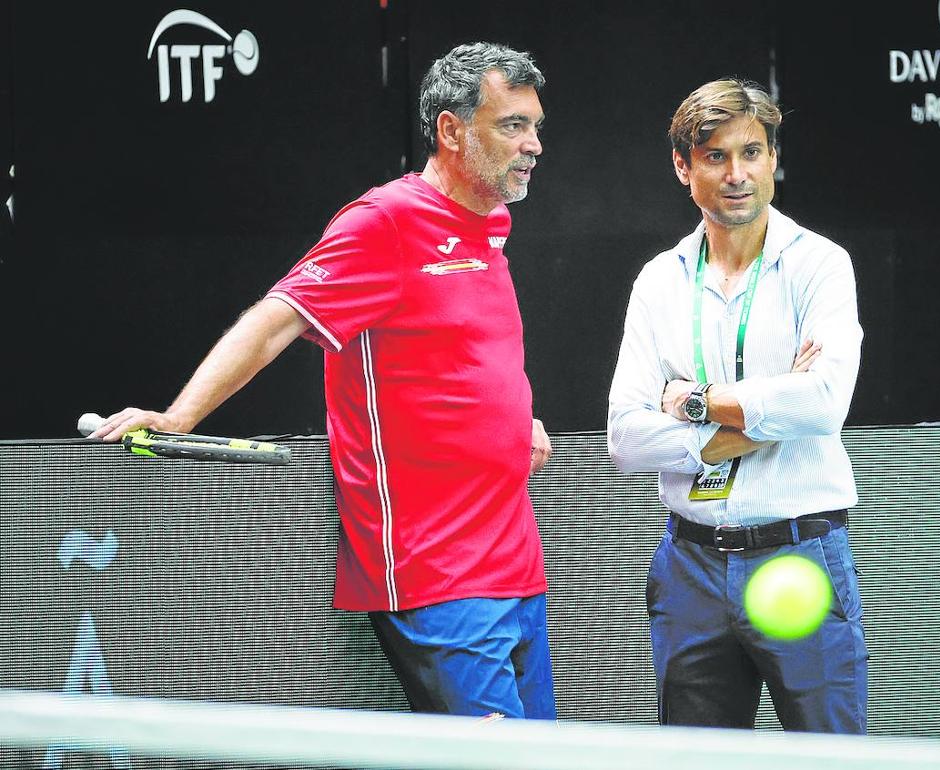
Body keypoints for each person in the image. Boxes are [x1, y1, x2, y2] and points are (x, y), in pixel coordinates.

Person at [92, 42, 556, 720]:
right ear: (452, 131)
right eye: (513, 124)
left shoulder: (492, 225)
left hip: (517, 563)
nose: (534, 144)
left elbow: (472, 350)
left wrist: (522, 417)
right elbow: (275, 320)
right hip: (437, 576)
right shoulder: (383, 222)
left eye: (536, 125)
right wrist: (178, 416)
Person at [606, 78, 867, 733]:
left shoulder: (820, 266)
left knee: (830, 759)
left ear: (774, 159)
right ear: (683, 167)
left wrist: (692, 403)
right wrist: (745, 426)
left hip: (797, 554)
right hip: (689, 565)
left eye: (751, 153)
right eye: (716, 157)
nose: (737, 174)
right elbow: (626, 440)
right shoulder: (661, 280)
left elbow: (823, 404)